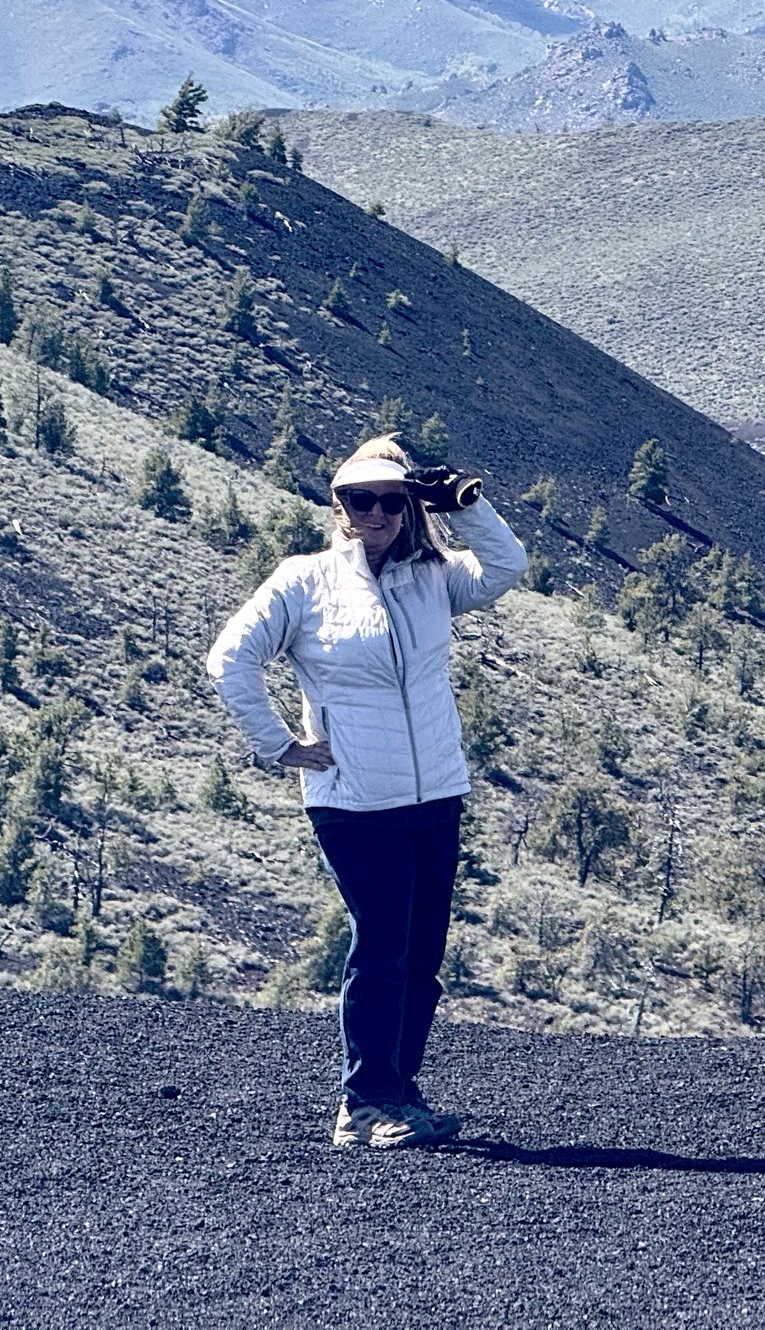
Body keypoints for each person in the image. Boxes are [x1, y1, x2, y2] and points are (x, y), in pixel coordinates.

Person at [206, 434, 528, 1150]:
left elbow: (509, 563)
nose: (376, 512)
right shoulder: (303, 580)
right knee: (381, 945)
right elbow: (230, 659)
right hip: (352, 801)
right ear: (340, 507)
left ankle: (399, 1094)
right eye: (361, 500)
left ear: (407, 506)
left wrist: (465, 507)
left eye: (391, 499)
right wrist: (280, 745)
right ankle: (364, 1102)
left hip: (435, 793)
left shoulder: (432, 577)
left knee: (421, 955)